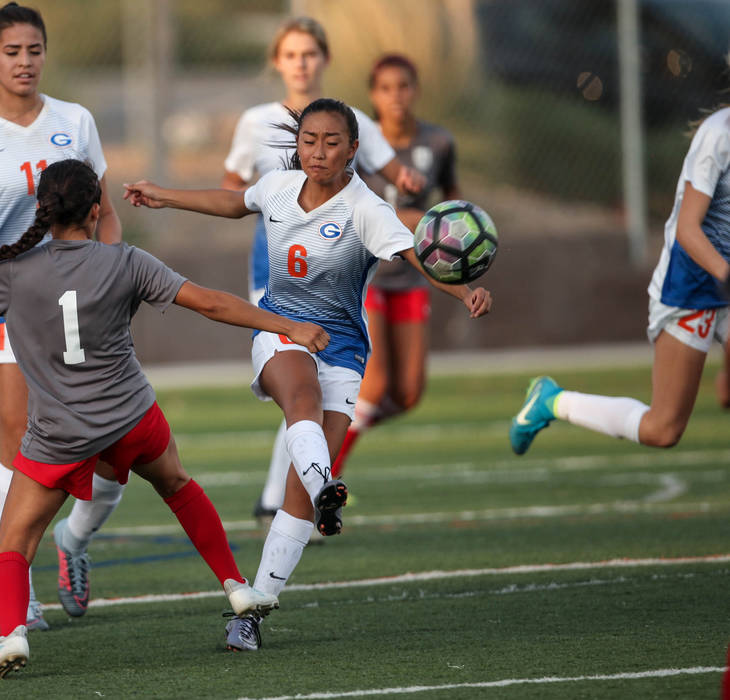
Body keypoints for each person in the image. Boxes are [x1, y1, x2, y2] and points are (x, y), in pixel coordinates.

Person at [125, 97, 492, 651]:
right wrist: (163, 194)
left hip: (343, 349)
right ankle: (328, 488)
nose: (318, 151)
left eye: (332, 142)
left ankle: (254, 611)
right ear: (298, 144)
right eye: (310, 140)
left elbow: (421, 255)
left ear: (352, 151)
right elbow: (232, 203)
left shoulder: (365, 208)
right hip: (279, 329)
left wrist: (464, 290)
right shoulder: (276, 185)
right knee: (300, 399)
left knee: (295, 502)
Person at [0, 159, 327, 678]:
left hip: (58, 435)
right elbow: (211, 304)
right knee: (179, 487)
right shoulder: (126, 261)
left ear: (42, 212)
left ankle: (12, 634)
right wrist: (289, 327)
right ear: (97, 211)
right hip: (132, 418)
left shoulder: (13, 274)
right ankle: (236, 586)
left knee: (14, 544)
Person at [0, 2, 123, 628]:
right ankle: (18, 593)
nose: (25, 62)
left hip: (77, 304)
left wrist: (112, 277)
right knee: (21, 446)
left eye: (34, 51)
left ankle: (73, 542)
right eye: (12, 51)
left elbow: (104, 212)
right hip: (9, 303)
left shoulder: (75, 120)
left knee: (111, 450)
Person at [221, 17, 424, 525]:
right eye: (291, 55)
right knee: (296, 386)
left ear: (324, 59)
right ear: (277, 62)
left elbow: (391, 174)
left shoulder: (351, 120)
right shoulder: (254, 121)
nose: (301, 63)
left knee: (312, 390)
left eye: (309, 53)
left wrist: (407, 183)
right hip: (274, 269)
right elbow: (233, 187)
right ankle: (288, 498)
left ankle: (279, 500)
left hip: (338, 267)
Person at [510, 103, 730, 454]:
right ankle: (552, 401)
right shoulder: (720, 134)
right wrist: (725, 275)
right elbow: (689, 230)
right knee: (664, 429)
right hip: (691, 287)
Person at [332, 53, 461, 477]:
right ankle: (321, 473)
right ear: (373, 95)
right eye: (386, 88)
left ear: (416, 89)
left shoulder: (437, 143)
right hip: (366, 276)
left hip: (412, 277)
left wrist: (463, 245)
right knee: (376, 384)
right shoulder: (358, 149)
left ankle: (329, 437)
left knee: (407, 394)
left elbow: (452, 209)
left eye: (403, 86)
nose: (396, 97)